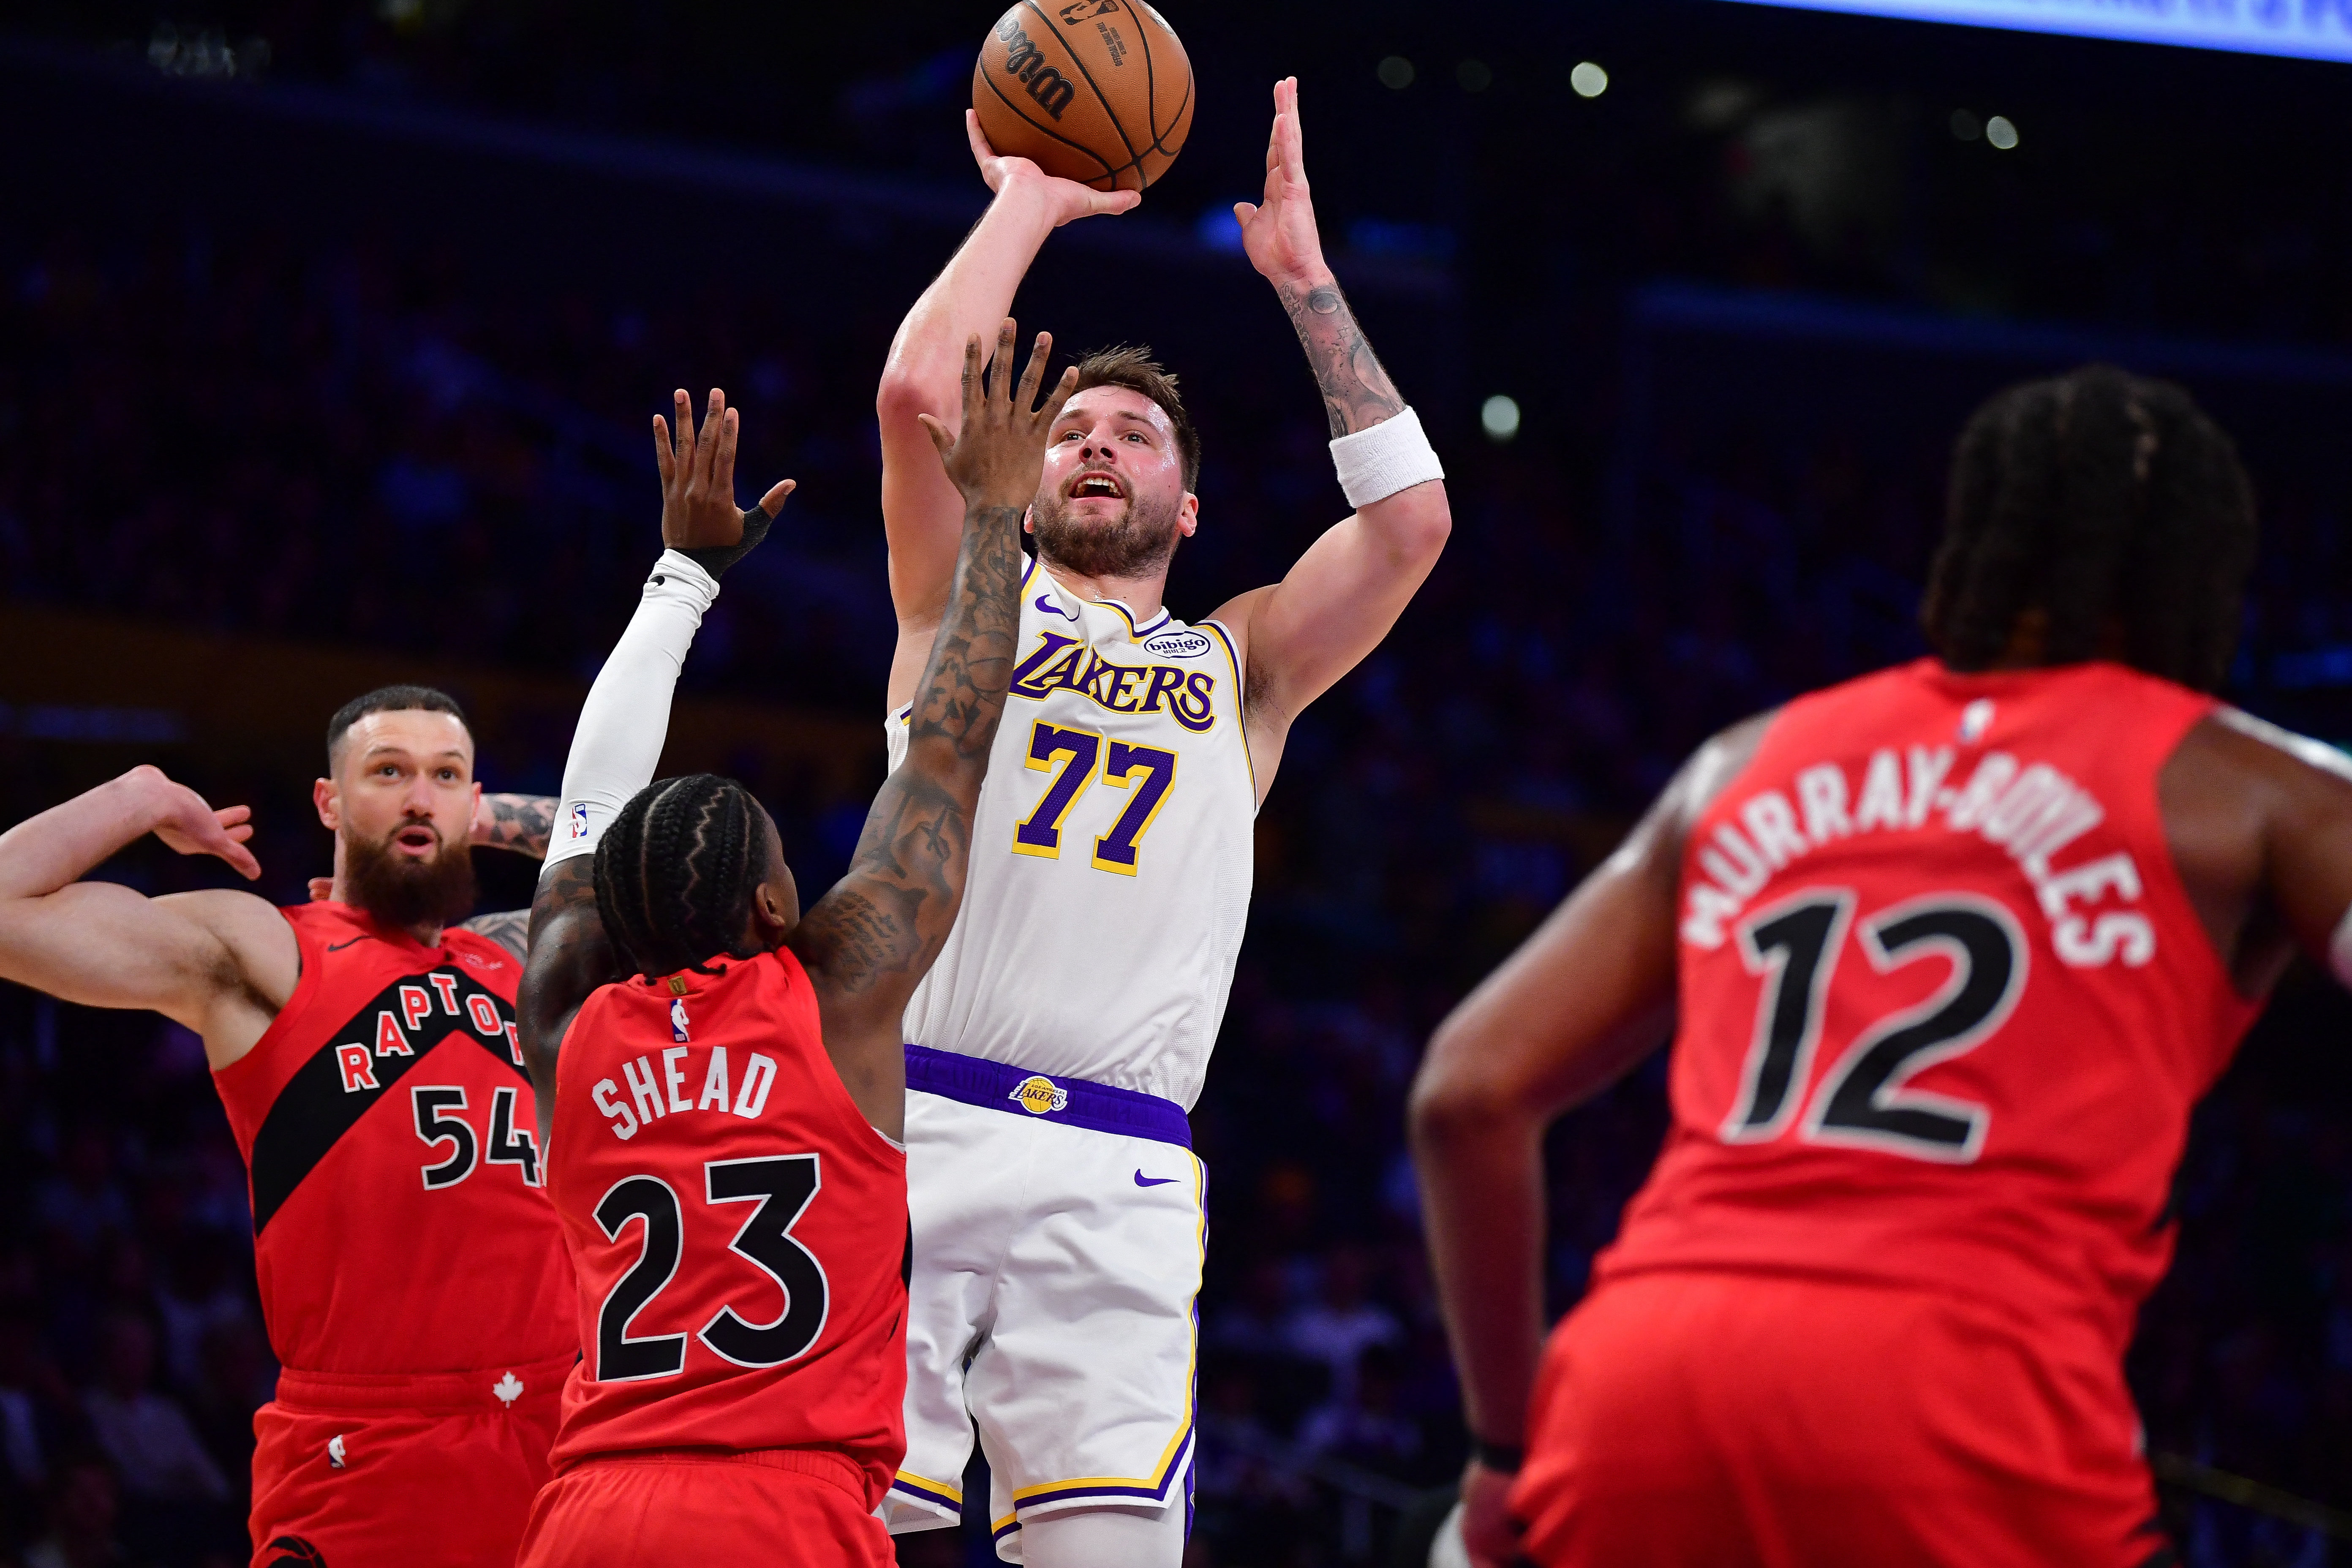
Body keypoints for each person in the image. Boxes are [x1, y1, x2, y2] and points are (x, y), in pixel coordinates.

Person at [1408, 364, 2352, 1568]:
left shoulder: (1742, 761)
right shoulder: (2258, 786)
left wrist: (1502, 1451)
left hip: (1644, 1378)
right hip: (1964, 1395)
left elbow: (1466, 1092)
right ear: (2201, 575)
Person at [873, 80, 1452, 1566]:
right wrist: (1027, 199)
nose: (1092, 446)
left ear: (1186, 505)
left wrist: (1309, 285)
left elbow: (1407, 528)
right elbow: (915, 398)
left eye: (1131, 434)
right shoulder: (959, 602)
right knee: (832, 1533)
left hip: (1124, 1166)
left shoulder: (1239, 660)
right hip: (914, 1119)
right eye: (1070, 427)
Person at [512, 340, 1062, 1566]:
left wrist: (679, 580)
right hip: (783, 1510)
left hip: (593, 1509)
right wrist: (990, 516)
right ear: (774, 906)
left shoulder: (564, 1026)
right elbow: (950, 745)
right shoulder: (837, 996)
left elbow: (585, 808)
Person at [0, 676, 567, 1566]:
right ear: (329, 802)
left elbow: (653, 846)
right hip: (366, 1450)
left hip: (557, 1436)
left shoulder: (515, 949)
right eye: (388, 771)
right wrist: (136, 795)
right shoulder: (269, 947)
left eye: (446, 774)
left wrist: (465, 810)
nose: (419, 794)